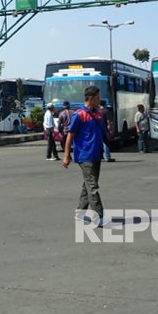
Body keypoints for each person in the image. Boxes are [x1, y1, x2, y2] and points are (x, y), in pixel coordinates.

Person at [63, 85, 110, 227]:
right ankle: (99, 217)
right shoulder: (79, 115)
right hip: (85, 155)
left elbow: (103, 132)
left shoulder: (98, 114)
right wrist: (66, 155)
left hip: (97, 154)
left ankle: (80, 213)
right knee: (93, 186)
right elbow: (70, 136)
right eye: (97, 97)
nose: (99, 100)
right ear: (90, 98)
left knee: (87, 185)